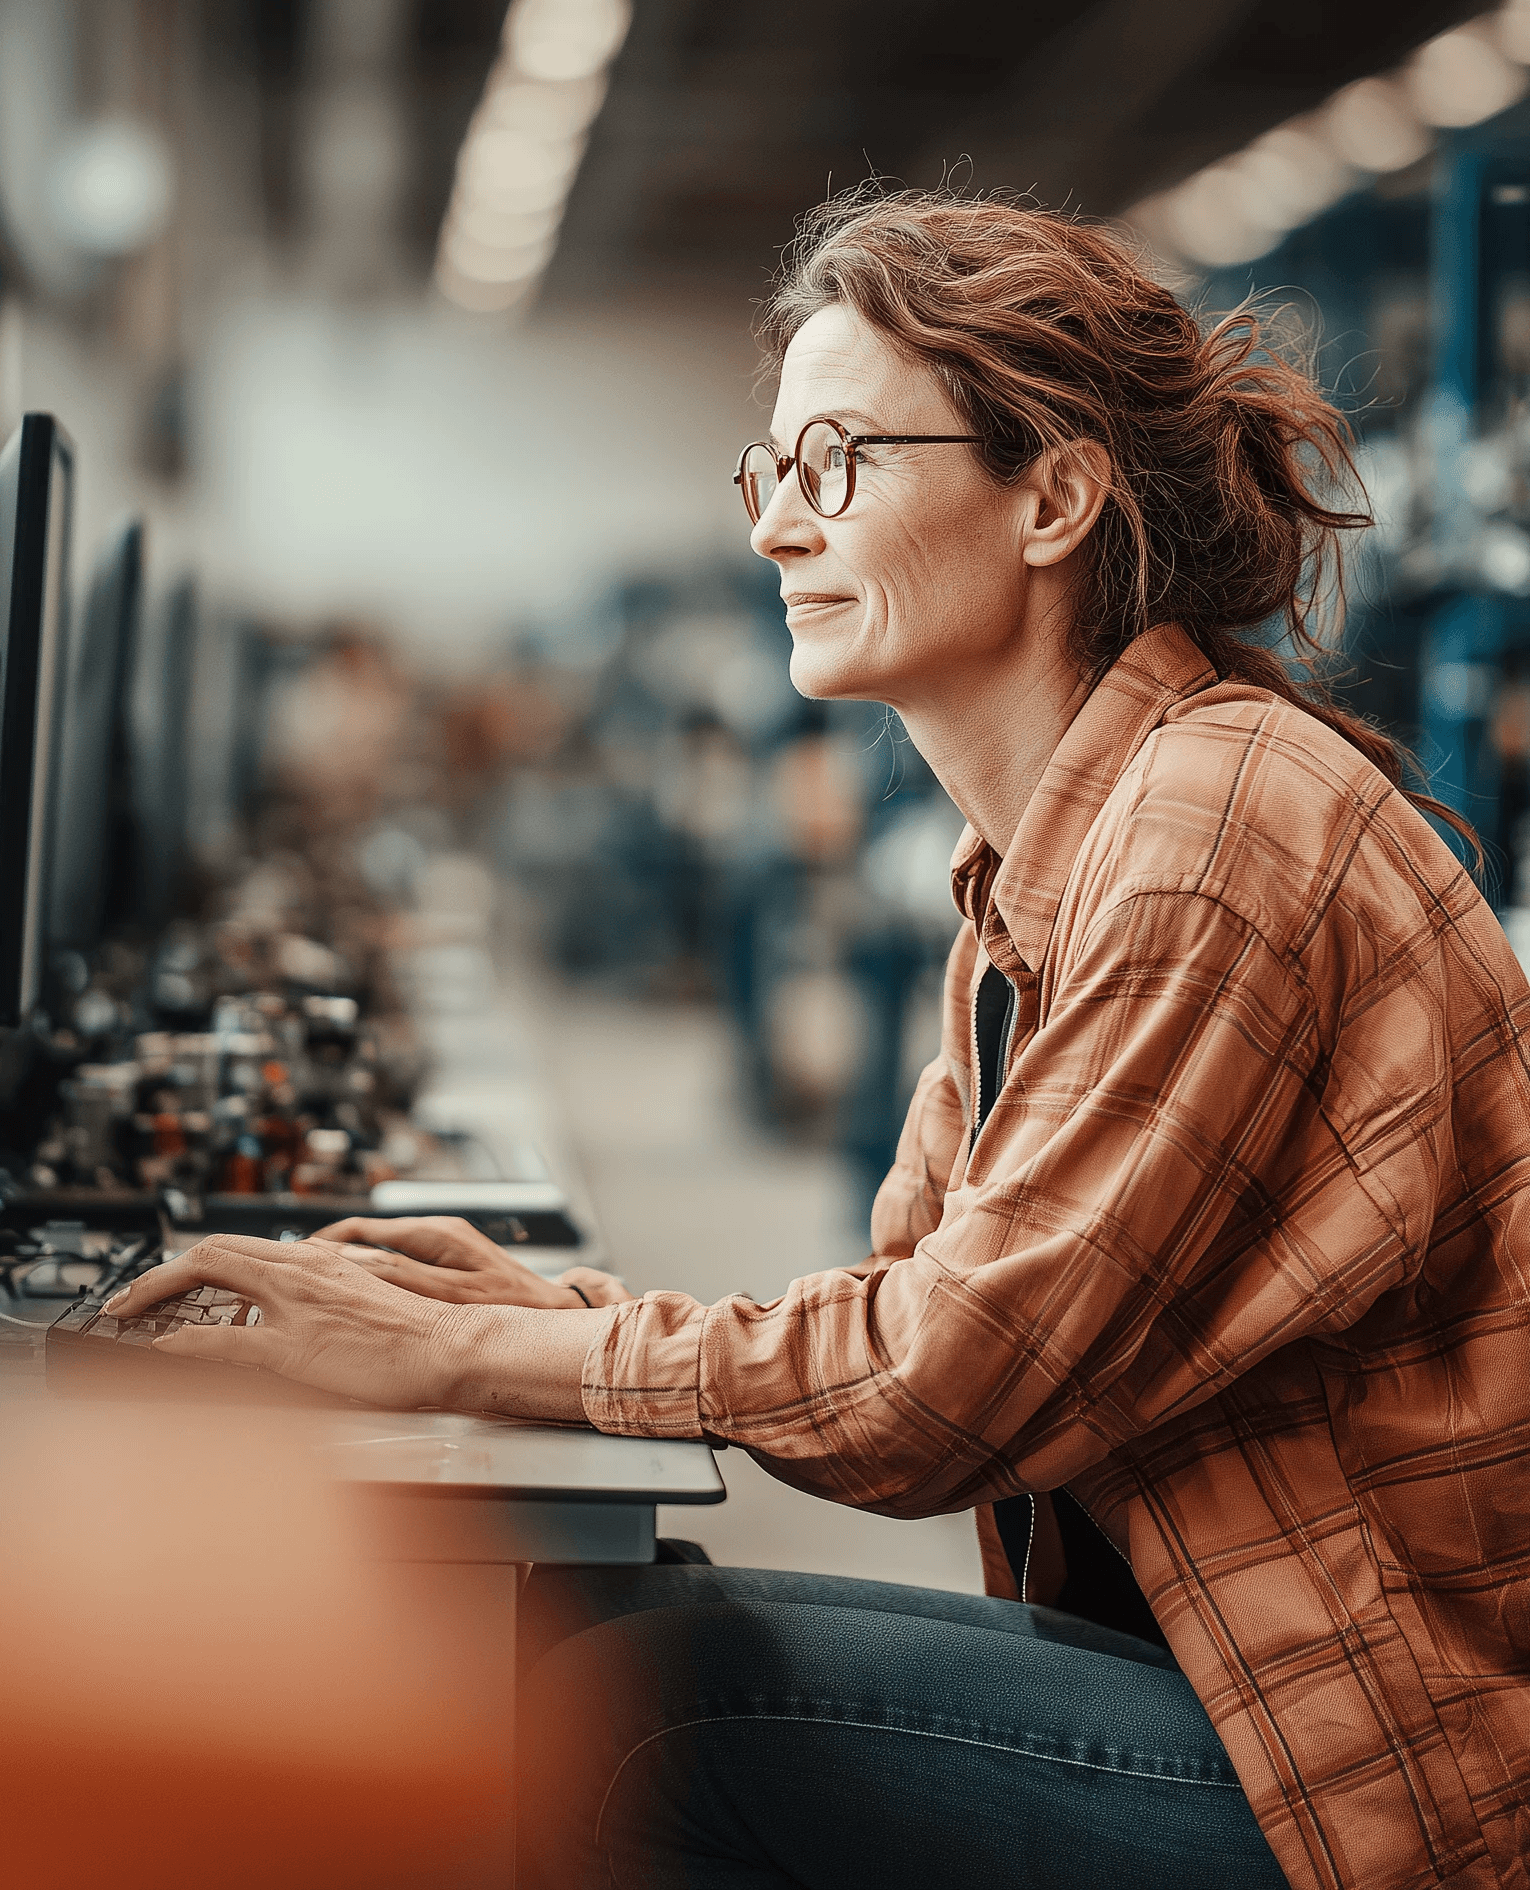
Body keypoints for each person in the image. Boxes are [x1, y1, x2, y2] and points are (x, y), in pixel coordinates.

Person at [106, 189, 1530, 1890]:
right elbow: (905, 1303)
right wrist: (531, 1311)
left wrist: (458, 1360)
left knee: (645, 1704)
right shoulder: (1031, 864)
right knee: (609, 1613)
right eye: (765, 471)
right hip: (1238, 1677)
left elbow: (936, 1390)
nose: (778, 527)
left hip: (1384, 1767)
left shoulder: (1212, 825)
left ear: (1055, 496)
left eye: (837, 460)